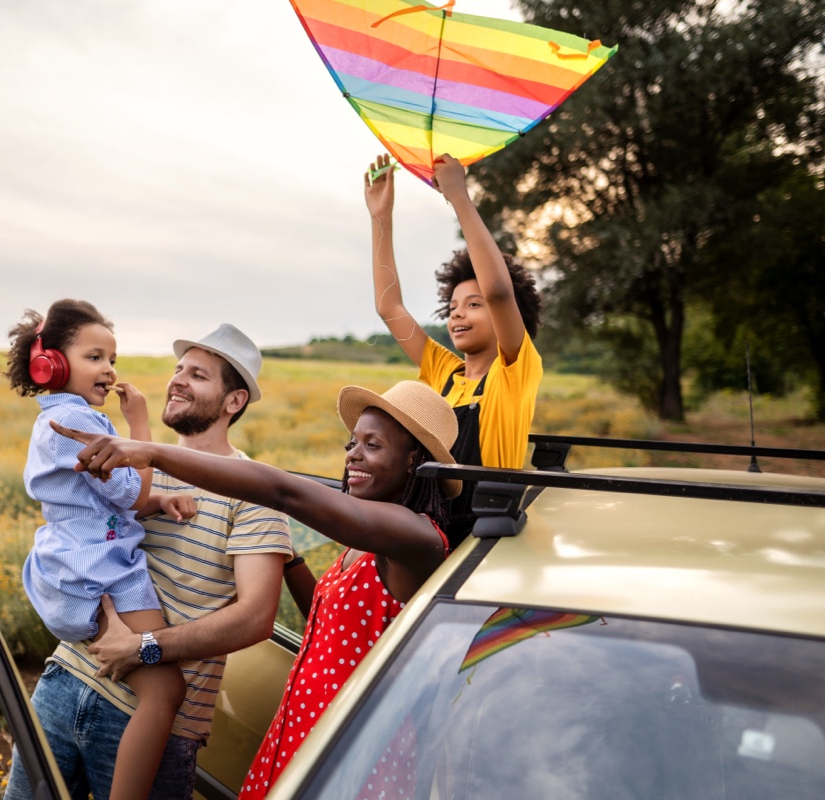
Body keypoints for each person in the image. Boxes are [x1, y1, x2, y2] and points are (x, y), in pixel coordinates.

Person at [52, 379, 460, 800]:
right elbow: (334, 622)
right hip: (308, 729)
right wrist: (289, 559)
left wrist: (154, 453)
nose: (353, 454)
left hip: (358, 746)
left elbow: (284, 492)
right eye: (352, 443)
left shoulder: (417, 540)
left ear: (415, 460)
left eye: (373, 446)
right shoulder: (365, 542)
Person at [5, 323, 294, 800]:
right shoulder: (133, 465)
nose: (177, 380)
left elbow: (256, 618)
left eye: (197, 375)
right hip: (63, 683)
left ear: (234, 402)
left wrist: (145, 648)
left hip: (150, 719)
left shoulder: (254, 491)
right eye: (177, 369)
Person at [6, 298, 190, 800]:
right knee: (168, 690)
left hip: (73, 569)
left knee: (157, 688)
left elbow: (106, 505)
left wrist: (161, 499)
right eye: (94, 357)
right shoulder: (79, 425)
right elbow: (130, 491)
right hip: (104, 573)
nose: (108, 370)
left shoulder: (56, 420)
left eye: (112, 359)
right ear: (53, 364)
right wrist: (141, 427)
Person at [364, 152, 544, 543]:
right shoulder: (443, 370)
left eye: (473, 305)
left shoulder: (514, 369)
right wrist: (381, 216)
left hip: (482, 536)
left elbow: (498, 290)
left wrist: (459, 196)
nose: (458, 315)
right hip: (429, 529)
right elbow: (389, 307)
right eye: (453, 307)